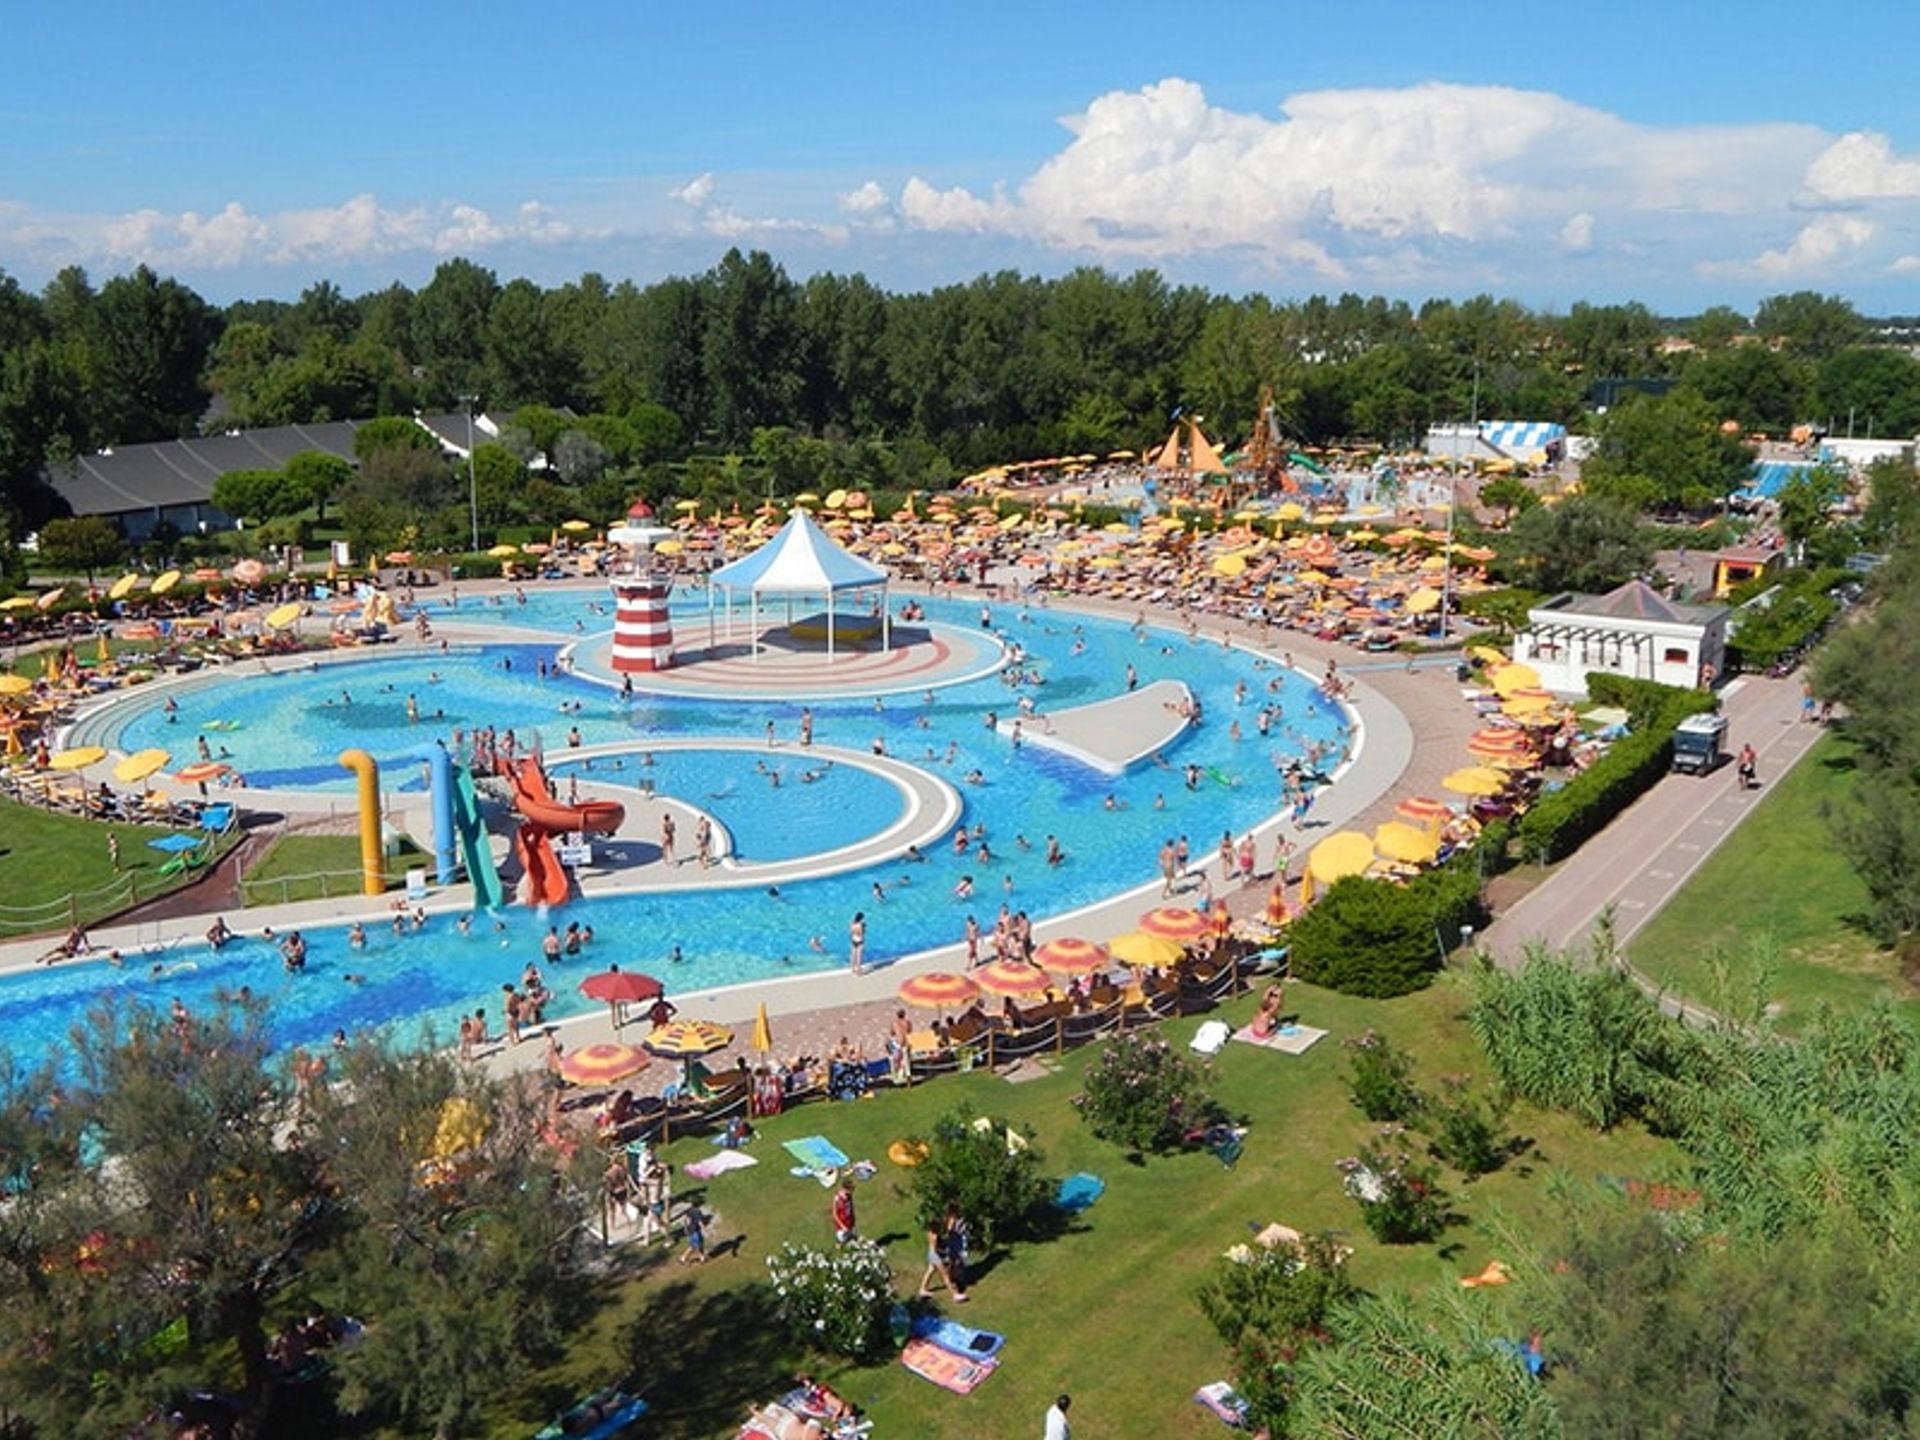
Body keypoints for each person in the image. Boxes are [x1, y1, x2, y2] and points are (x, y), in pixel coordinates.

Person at [831, 1176, 857, 1244]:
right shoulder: (837, 1198)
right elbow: (835, 1214)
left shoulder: (849, 1196)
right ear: (845, 1189)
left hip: (850, 1222)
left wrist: (853, 1218)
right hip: (842, 1225)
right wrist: (842, 1226)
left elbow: (851, 1207)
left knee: (854, 1238)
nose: (852, 1192)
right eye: (851, 1190)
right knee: (842, 1241)